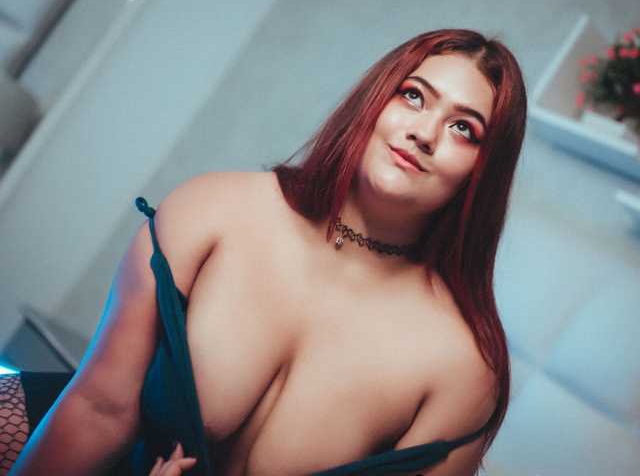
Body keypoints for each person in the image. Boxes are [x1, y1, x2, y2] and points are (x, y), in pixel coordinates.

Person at [3, 27, 527, 475]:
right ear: (375, 99)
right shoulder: (212, 211)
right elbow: (101, 408)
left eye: (464, 129)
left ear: (484, 172)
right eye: (413, 96)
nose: (424, 133)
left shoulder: (461, 368)